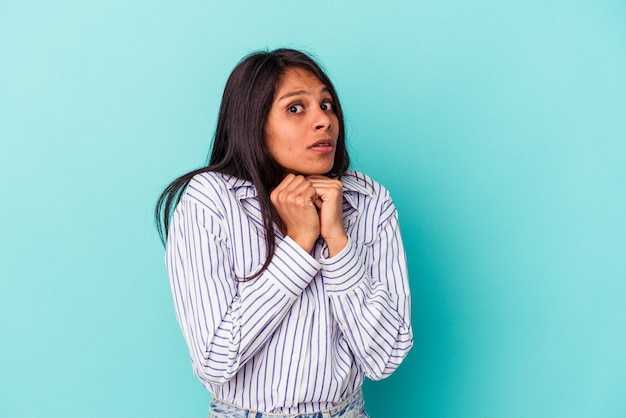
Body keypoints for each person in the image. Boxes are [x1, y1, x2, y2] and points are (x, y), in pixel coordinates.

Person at [155, 48, 412, 418]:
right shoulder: (210, 201)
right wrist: (298, 243)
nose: (323, 121)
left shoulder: (369, 201)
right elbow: (215, 359)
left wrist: (338, 242)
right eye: (295, 108)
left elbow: (385, 358)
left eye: (326, 105)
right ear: (253, 123)